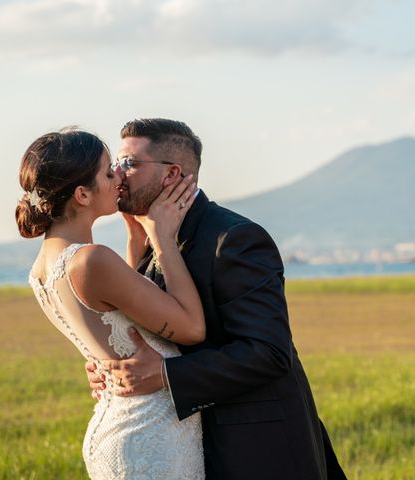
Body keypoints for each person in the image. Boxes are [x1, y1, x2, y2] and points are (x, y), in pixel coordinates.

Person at [86, 118, 347, 479]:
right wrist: (114, 367)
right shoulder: (149, 239)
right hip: (186, 444)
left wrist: (164, 374)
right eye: (117, 163)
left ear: (172, 174)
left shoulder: (234, 238)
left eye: (130, 163)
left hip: (256, 446)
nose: (118, 173)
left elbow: (269, 353)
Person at [16, 128, 205, 479]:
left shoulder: (42, 269)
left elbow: (122, 314)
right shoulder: (92, 260)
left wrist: (136, 238)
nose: (119, 176)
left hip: (118, 427)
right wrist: (161, 237)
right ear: (82, 194)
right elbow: (192, 328)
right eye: (107, 172)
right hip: (151, 437)